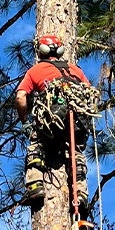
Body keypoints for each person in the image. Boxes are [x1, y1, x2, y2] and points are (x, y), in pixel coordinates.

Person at [15, 34, 93, 207]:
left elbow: (21, 97)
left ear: (40, 52)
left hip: (52, 118)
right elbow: (90, 94)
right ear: (59, 51)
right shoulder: (75, 69)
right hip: (78, 119)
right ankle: (80, 194)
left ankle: (35, 186)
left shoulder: (35, 71)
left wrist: (25, 121)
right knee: (76, 154)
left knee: (36, 145)